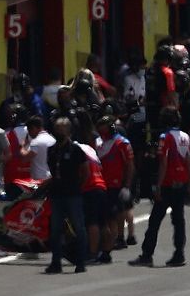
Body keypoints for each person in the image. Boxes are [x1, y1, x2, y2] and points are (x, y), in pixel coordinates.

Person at [129, 107, 190, 268]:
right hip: (181, 183)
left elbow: (163, 162)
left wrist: (158, 186)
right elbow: (189, 161)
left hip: (168, 184)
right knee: (179, 221)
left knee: (154, 221)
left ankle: (147, 255)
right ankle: (179, 254)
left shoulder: (165, 137)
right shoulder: (185, 136)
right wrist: (189, 183)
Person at [44, 117, 89, 274]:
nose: (58, 132)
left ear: (69, 131)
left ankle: (81, 262)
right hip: (57, 194)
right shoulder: (52, 150)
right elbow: (51, 169)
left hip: (73, 194)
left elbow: (85, 172)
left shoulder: (76, 150)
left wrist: (77, 185)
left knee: (78, 228)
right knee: (55, 229)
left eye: (61, 129)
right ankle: (56, 262)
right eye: (56, 129)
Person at [95, 116, 134, 264]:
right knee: (107, 216)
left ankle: (119, 238)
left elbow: (130, 165)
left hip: (117, 186)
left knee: (116, 214)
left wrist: (127, 186)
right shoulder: (98, 143)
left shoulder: (122, 143)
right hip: (102, 185)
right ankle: (111, 241)